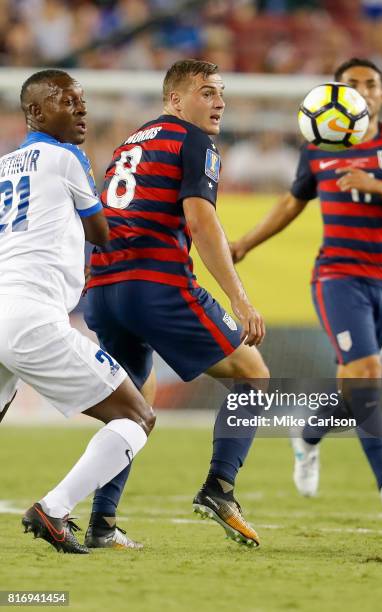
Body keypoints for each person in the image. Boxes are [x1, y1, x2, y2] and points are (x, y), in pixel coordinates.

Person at [230, 58, 382, 514]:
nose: (362, 90)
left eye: (370, 84)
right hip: (337, 277)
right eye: (351, 85)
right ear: (337, 95)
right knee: (366, 374)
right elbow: (291, 202)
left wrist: (377, 187)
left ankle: (307, 434)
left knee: (355, 389)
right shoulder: (318, 147)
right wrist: (244, 243)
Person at [84, 59, 269, 549]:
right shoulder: (194, 143)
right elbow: (202, 222)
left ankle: (102, 524)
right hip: (156, 285)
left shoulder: (129, 143)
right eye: (207, 92)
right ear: (174, 100)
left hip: (103, 288)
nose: (220, 102)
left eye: (221, 93)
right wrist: (239, 298)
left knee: (131, 409)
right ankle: (220, 487)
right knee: (254, 375)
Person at [0, 69, 156, 554]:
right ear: (35, 112)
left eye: (81, 101)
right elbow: (102, 233)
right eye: (67, 101)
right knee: (137, 415)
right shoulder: (66, 157)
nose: (81, 109)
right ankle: (55, 508)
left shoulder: (3, 166)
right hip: (32, 316)